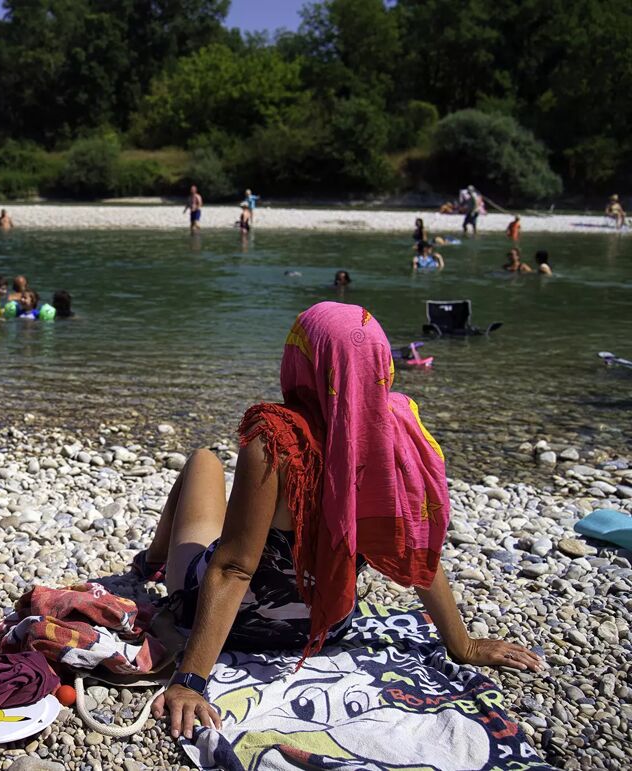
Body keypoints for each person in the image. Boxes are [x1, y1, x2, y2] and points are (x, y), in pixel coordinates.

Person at [140, 302, 542, 740]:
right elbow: (415, 551)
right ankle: (158, 558)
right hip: (324, 627)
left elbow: (235, 568)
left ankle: (153, 560)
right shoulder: (395, 436)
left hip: (237, 623)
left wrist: (191, 681)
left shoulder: (277, 440)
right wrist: (462, 645)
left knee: (204, 462)